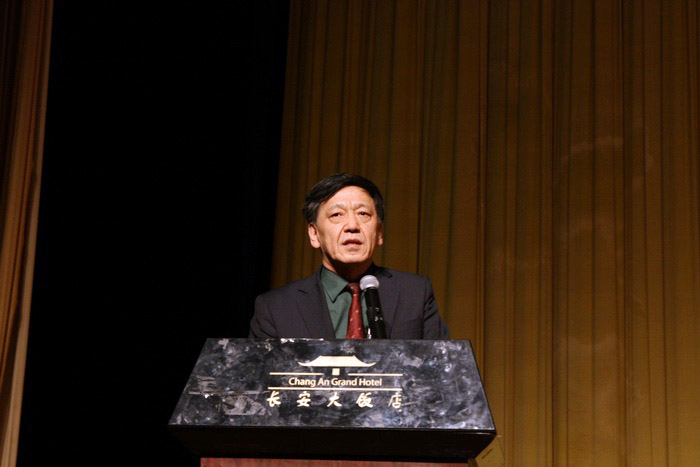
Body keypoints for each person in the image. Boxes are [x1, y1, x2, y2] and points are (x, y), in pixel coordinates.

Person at [248, 173, 449, 339]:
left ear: (379, 233)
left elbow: (440, 369)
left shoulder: (415, 293)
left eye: (363, 214)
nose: (352, 226)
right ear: (314, 234)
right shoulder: (276, 307)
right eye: (336, 215)